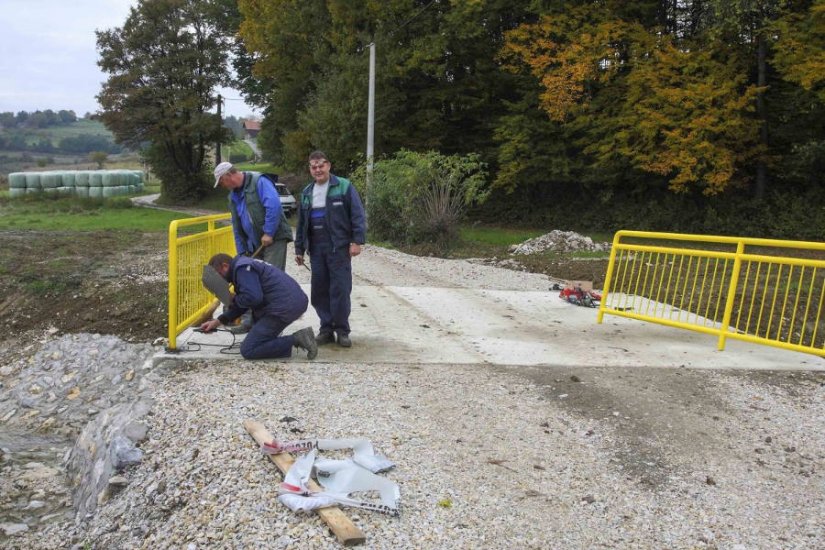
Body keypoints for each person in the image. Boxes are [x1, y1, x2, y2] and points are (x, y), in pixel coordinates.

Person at [294, 151, 366, 348]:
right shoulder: (307, 192)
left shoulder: (343, 186)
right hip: (316, 249)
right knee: (319, 291)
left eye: (321, 166)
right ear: (310, 169)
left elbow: (357, 215)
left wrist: (356, 241)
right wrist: (299, 249)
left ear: (329, 166)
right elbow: (301, 224)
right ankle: (326, 329)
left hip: (339, 248)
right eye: (313, 167)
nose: (317, 170)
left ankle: (342, 330)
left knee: (340, 290)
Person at [200, 253, 318, 360]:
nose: (222, 280)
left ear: (225, 266)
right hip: (288, 302)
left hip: (283, 306)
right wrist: (218, 321)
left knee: (249, 349)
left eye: (219, 275)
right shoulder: (242, 265)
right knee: (257, 337)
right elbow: (244, 303)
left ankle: (298, 338)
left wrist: (233, 298)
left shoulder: (242, 269)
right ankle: (273, 339)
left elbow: (253, 298)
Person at [214, 162, 293, 271]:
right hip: (256, 243)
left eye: (221, 182)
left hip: (274, 238)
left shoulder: (259, 181)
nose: (222, 186)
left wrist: (269, 233)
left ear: (228, 175)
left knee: (272, 276)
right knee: (259, 278)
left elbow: (274, 206)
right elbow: (237, 226)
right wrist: (242, 252)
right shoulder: (232, 196)